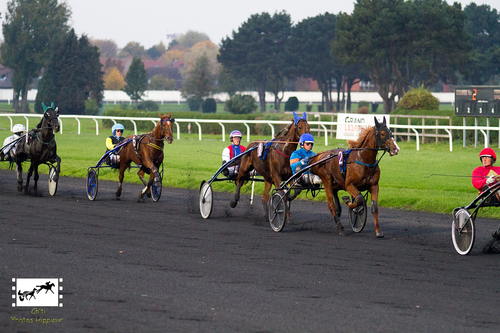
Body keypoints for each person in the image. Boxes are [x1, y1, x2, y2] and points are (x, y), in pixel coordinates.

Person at [472, 148, 500, 240]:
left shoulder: (498, 169)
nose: (484, 160)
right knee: (490, 189)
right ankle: (487, 193)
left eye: (487, 158)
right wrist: (486, 181)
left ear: (493, 159)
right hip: (487, 194)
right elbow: (476, 184)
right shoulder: (477, 170)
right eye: (482, 157)